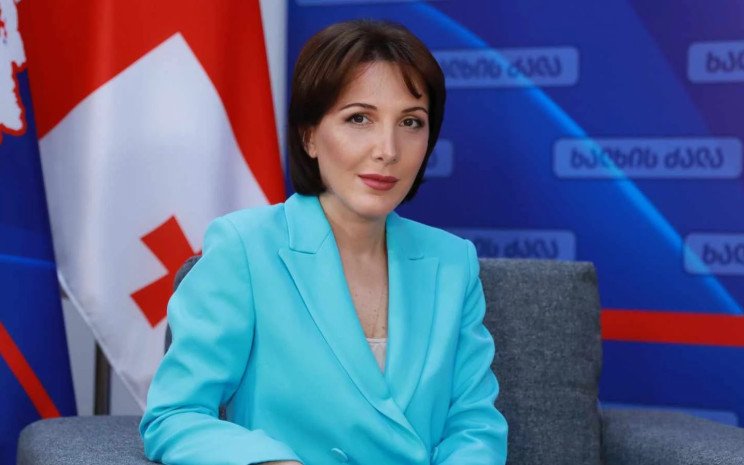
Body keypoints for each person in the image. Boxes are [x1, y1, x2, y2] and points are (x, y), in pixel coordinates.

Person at [139, 19, 508, 465]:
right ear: (309, 135)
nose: (388, 149)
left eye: (411, 122)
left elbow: (474, 426)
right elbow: (175, 415)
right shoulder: (245, 247)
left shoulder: (452, 261)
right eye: (359, 118)